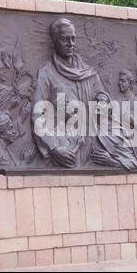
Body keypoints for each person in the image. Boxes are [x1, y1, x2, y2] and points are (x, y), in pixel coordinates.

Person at [32, 17, 107, 168]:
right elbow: (38, 115)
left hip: (92, 144)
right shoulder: (46, 74)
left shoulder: (87, 71)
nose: (71, 44)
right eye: (65, 39)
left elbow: (101, 93)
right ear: (54, 41)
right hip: (65, 147)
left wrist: (102, 98)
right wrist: (54, 148)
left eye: (73, 39)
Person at [90, 92, 137, 171]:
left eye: (102, 102)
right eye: (96, 102)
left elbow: (133, 164)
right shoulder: (89, 128)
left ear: (109, 108)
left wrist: (111, 162)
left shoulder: (118, 132)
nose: (98, 105)